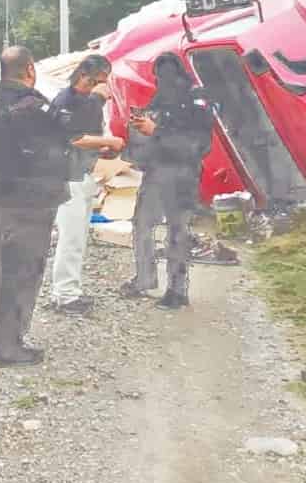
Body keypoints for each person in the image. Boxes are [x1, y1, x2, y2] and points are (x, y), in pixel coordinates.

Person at [0, 45, 70, 366]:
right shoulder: (36, 108)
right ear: (30, 70)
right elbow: (57, 153)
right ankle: (8, 345)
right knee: (22, 270)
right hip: (28, 204)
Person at [121, 52, 213, 309]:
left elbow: (198, 146)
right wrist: (140, 132)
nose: (164, 81)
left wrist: (156, 131)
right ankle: (145, 278)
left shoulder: (197, 104)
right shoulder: (162, 98)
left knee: (177, 231)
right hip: (157, 172)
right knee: (143, 226)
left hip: (182, 174)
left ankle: (177, 289)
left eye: (167, 75)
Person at [49, 54, 126, 314]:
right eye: (98, 81)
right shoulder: (67, 100)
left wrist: (103, 150)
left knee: (79, 238)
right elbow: (71, 139)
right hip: (65, 177)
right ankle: (64, 295)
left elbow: (87, 139)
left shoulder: (86, 103)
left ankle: (70, 291)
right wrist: (108, 142)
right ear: (84, 76)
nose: (103, 87)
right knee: (70, 238)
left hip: (82, 173)